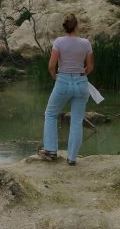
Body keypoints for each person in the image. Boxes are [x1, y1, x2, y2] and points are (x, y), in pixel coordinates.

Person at [39, 13, 94, 165]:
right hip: (81, 83)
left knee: (50, 114)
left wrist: (55, 77)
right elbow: (90, 67)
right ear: (77, 25)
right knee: (76, 121)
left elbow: (51, 65)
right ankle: (72, 158)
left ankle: (50, 151)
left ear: (65, 27)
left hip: (63, 81)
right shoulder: (85, 43)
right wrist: (82, 74)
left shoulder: (59, 42)